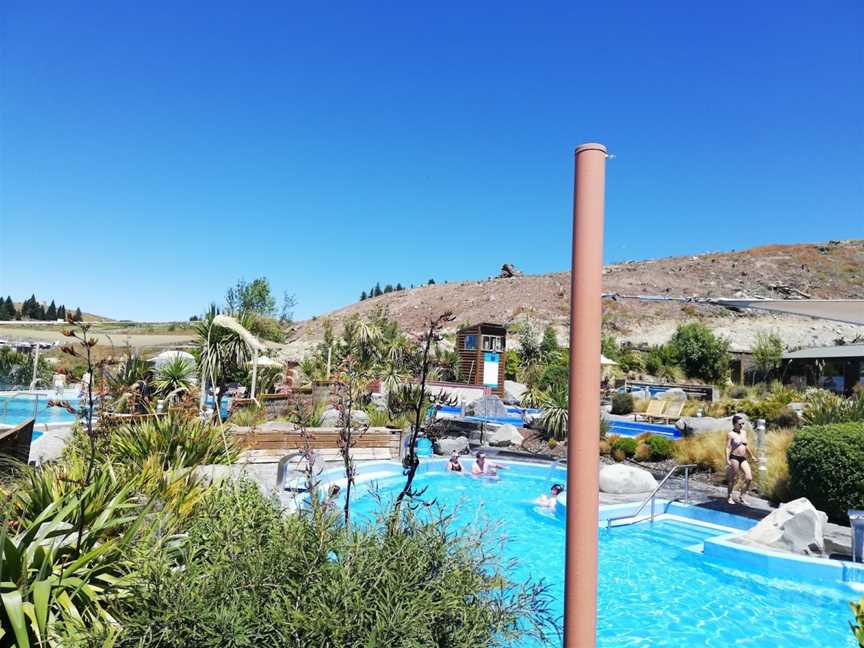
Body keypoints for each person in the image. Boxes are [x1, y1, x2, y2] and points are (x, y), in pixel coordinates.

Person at [726, 414, 754, 504]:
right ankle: (729, 496)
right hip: (734, 457)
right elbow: (728, 447)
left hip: (743, 457)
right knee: (734, 478)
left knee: (749, 477)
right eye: (739, 424)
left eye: (742, 424)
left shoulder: (744, 433)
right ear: (734, 424)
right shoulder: (730, 434)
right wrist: (727, 459)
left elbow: (745, 445)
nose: (741, 425)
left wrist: (752, 455)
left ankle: (742, 496)